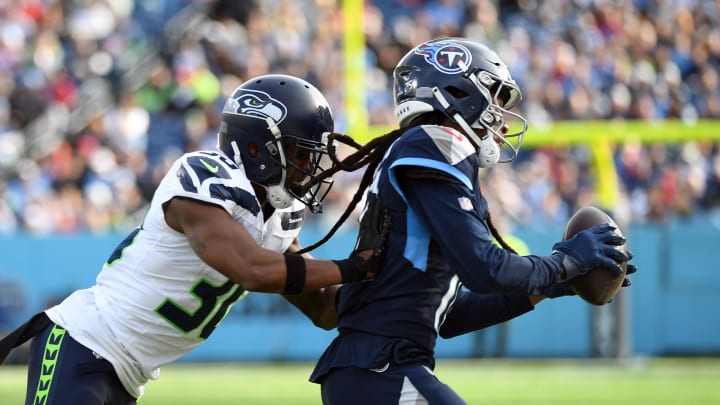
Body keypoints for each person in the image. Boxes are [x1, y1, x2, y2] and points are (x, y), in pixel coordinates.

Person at [0, 74, 376, 404]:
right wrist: (352, 266)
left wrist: (393, 271)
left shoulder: (278, 217)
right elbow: (252, 269)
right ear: (256, 148)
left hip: (126, 375)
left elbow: (325, 309)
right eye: (300, 153)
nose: (309, 169)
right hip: (84, 342)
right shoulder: (203, 177)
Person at [301, 37, 638, 404]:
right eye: (492, 97)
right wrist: (565, 262)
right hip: (381, 368)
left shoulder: (424, 149)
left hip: (373, 370)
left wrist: (553, 284)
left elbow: (448, 315)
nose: (498, 115)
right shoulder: (435, 143)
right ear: (457, 92)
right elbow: (485, 269)